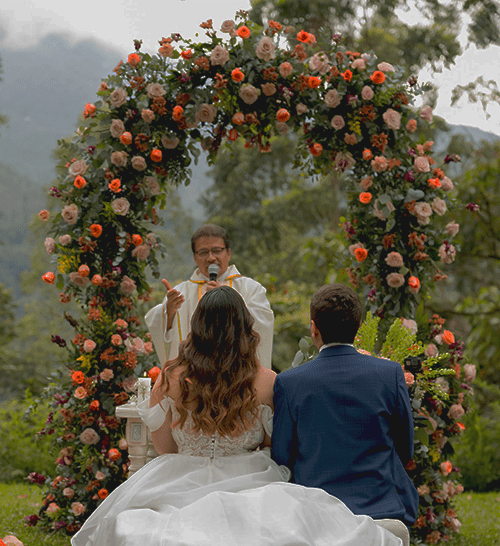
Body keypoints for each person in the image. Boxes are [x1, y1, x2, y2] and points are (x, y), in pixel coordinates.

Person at [72, 286, 403, 546]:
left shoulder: (171, 377)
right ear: (245, 327)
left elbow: (164, 449)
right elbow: (275, 447)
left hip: (177, 476)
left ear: (197, 326)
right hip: (253, 480)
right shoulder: (266, 381)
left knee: (134, 527)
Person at [272, 283, 419, 528]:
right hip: (381, 505)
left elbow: (281, 455)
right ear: (358, 327)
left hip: (315, 510)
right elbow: (405, 449)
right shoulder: (390, 373)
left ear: (313, 329)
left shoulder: (289, 382)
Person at [145, 224, 274, 368]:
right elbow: (159, 326)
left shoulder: (251, 288)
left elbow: (263, 323)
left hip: (236, 373)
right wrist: (169, 312)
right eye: (203, 252)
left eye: (217, 251)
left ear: (229, 253)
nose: (211, 258)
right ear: (195, 257)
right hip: (193, 375)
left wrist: (227, 301)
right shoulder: (181, 292)